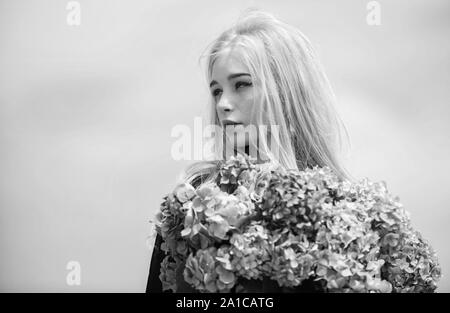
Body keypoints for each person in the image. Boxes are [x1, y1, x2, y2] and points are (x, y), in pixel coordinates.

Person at [146, 9, 351, 293]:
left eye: (241, 84)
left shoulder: (340, 208)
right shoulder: (193, 200)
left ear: (285, 91)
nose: (222, 104)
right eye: (217, 90)